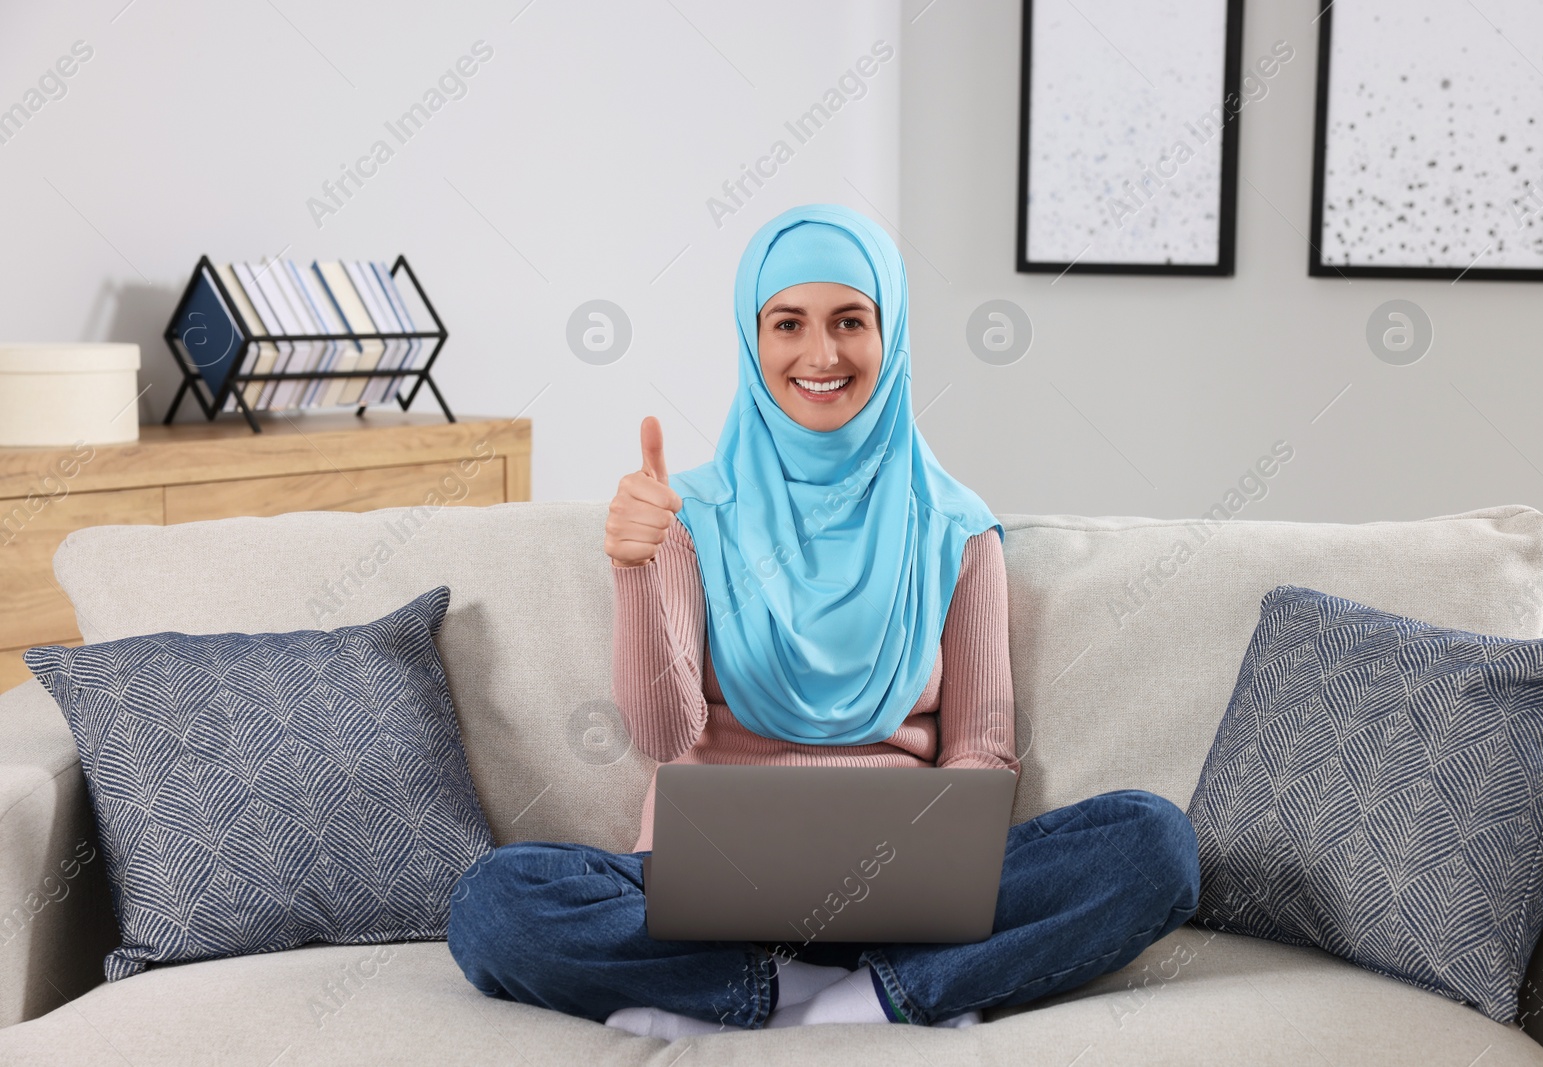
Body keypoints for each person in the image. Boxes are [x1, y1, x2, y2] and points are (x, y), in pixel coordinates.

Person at [446, 203, 1199, 1036]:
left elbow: (981, 748)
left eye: (850, 321)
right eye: (787, 324)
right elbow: (665, 732)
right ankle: (824, 990)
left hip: (905, 893)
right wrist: (638, 571)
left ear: (892, 334)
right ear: (751, 338)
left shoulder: (956, 529)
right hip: (707, 897)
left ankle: (850, 996)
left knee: (1151, 845)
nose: (821, 354)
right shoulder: (688, 515)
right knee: (494, 901)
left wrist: (927, 868)